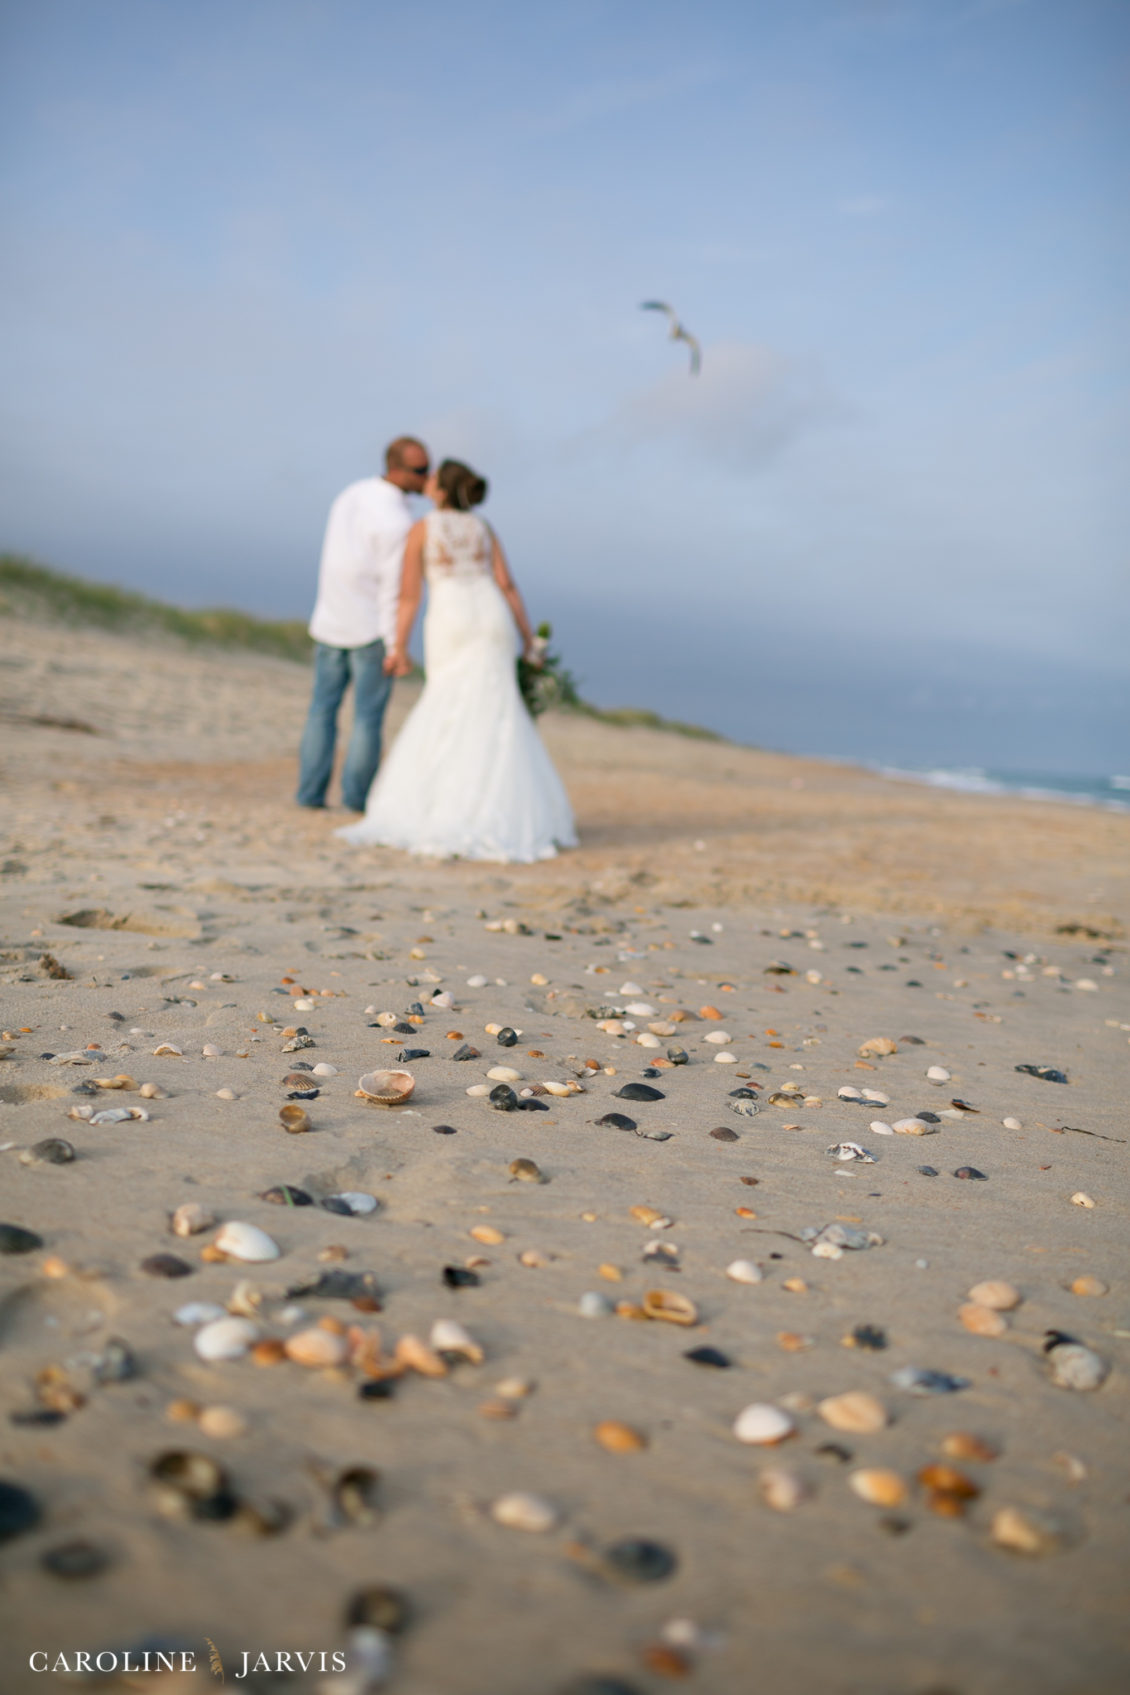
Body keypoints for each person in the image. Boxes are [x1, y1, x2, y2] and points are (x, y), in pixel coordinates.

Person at [338, 458, 577, 862]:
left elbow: (410, 596)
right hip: (491, 615)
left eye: (432, 479)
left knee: (447, 702)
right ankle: (504, 809)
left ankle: (442, 807)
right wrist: (528, 639)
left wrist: (398, 646)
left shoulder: (422, 530)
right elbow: (507, 584)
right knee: (497, 709)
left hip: (451, 618)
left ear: (443, 491)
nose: (427, 483)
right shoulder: (483, 528)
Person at [296, 435, 430, 811]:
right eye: (421, 471)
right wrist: (396, 646)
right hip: (370, 630)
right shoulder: (398, 522)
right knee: (367, 721)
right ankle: (355, 800)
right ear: (398, 469)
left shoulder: (350, 495)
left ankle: (309, 795)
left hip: (330, 620)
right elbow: (394, 590)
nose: (427, 477)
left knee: (321, 711)